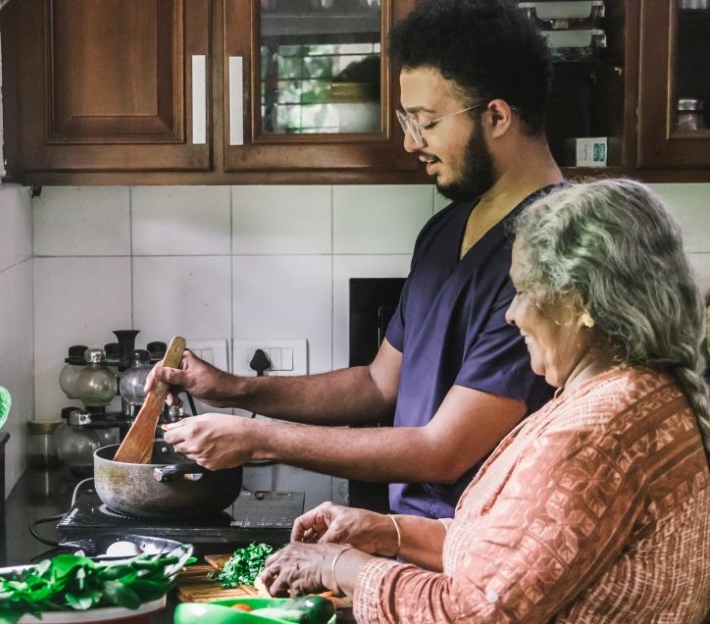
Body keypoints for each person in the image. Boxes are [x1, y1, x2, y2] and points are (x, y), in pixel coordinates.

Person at [259, 178, 710, 624]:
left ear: (578, 302)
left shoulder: (595, 434)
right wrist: (391, 531)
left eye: (522, 292)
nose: (512, 315)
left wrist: (337, 566)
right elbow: (515, 554)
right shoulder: (630, 397)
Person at [150, 0, 559, 519]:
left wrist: (258, 439)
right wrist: (232, 389)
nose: (413, 144)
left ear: (497, 116)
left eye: (428, 123)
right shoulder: (446, 228)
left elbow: (444, 450)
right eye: (407, 121)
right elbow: (377, 383)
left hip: (483, 557)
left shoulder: (557, 255)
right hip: (412, 545)